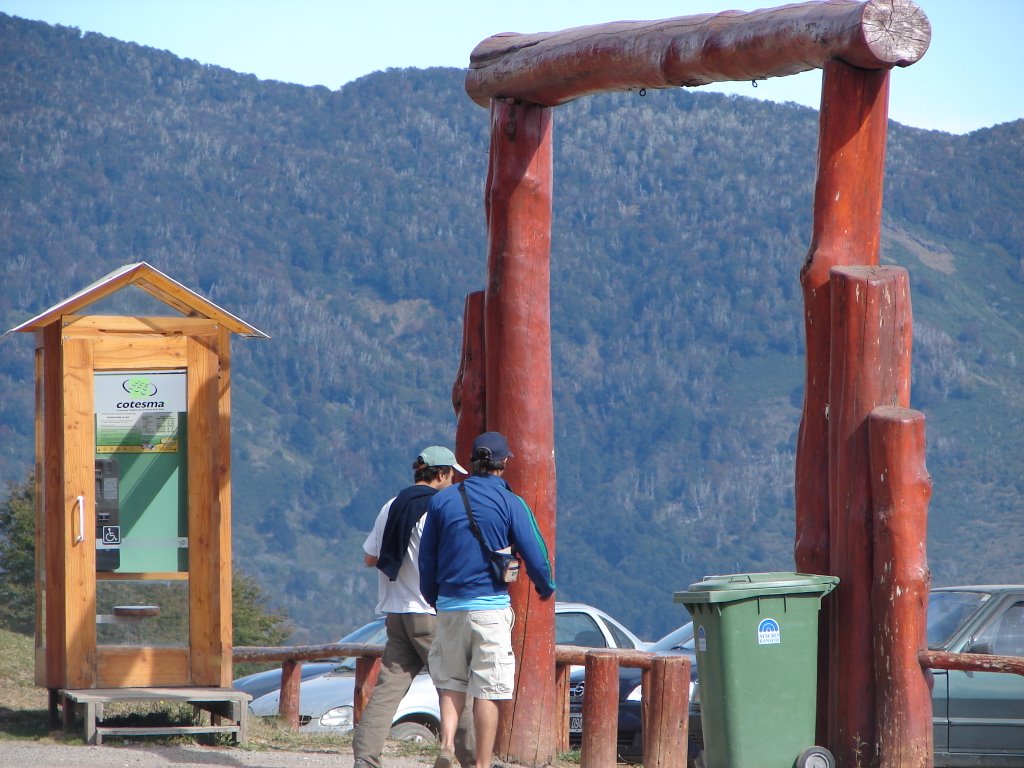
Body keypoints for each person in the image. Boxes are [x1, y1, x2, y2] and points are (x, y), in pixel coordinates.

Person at [418, 431, 556, 768]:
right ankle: (481, 763)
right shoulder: (511, 503)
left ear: (470, 462)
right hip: (490, 608)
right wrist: (545, 586)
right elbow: (536, 555)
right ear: (504, 462)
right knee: (488, 687)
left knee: (451, 680)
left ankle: (447, 746)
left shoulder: (442, 501)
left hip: (450, 605)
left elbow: (426, 559)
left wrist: (435, 597)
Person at [353, 446, 475, 768]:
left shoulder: (391, 506)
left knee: (388, 689)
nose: (452, 482)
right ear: (439, 474)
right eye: (451, 475)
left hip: (396, 613)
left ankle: (365, 758)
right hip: (430, 613)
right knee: (455, 684)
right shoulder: (440, 508)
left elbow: (369, 558)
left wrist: (400, 557)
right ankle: (477, 758)